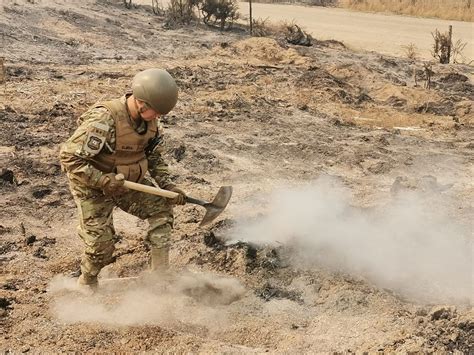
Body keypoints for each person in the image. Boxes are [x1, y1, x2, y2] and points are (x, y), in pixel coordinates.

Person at [59, 68, 186, 290]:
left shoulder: (152, 124)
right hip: (92, 186)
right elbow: (69, 158)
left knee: (162, 211)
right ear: (141, 103)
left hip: (128, 181)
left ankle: (160, 277)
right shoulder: (104, 119)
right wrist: (102, 181)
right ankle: (87, 281)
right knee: (101, 247)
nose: (158, 118)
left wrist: (168, 185)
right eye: (155, 112)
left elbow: (154, 157)